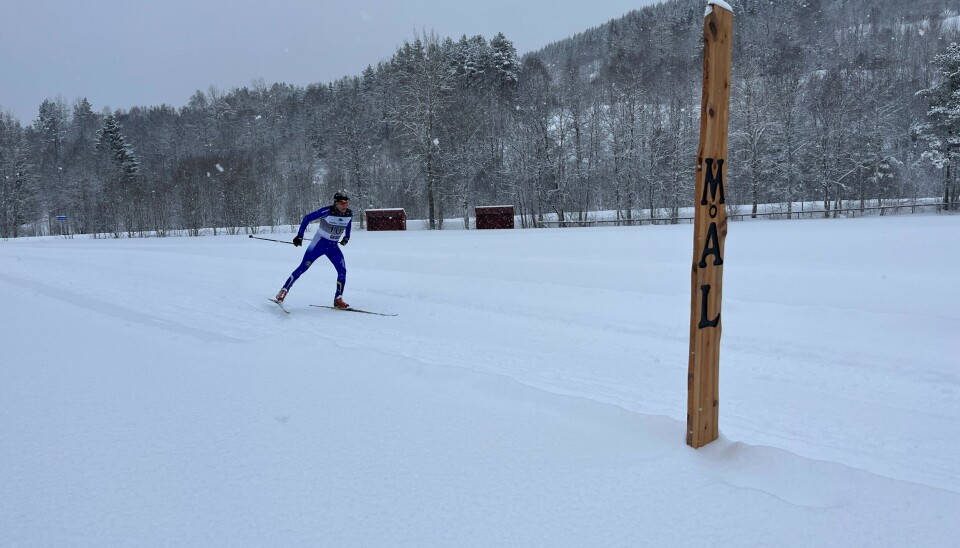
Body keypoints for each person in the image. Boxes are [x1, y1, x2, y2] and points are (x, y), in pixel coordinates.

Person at [274, 191, 353, 309]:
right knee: (303, 268)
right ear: (336, 203)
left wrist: (347, 237)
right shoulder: (327, 211)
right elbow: (307, 218)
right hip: (318, 244)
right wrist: (300, 235)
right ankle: (283, 291)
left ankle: (338, 299)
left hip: (333, 247)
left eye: (346, 203)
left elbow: (348, 224)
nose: (344, 206)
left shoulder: (348, 214)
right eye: (342, 203)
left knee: (342, 271)